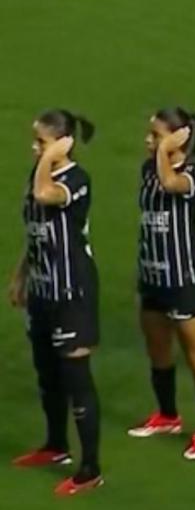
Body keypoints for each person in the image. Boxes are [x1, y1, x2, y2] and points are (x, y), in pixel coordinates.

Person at [9, 111, 104, 496]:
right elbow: (35, 232)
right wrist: (21, 275)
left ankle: (90, 468)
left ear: (64, 143)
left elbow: (44, 196)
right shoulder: (38, 175)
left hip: (72, 294)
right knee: (47, 375)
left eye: (42, 142)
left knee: (76, 380)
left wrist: (51, 159)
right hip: (43, 292)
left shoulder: (76, 180)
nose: (35, 149)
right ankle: (55, 446)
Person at [126, 109, 195, 461]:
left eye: (156, 135)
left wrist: (166, 149)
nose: (148, 141)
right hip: (152, 275)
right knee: (158, 352)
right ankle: (168, 415)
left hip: (185, 280)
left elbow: (172, 187)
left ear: (178, 138)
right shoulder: (147, 170)